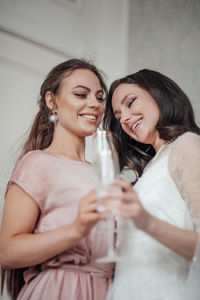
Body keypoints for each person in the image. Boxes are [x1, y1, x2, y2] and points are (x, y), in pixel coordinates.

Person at [0, 58, 114, 300]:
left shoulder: (106, 174)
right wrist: (76, 230)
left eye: (99, 97)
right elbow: (7, 252)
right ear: (52, 101)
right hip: (59, 290)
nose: (94, 104)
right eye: (81, 95)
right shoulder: (38, 162)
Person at [103, 69, 200, 300]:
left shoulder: (187, 145)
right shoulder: (148, 170)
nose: (125, 118)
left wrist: (146, 222)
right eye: (118, 116)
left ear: (160, 94)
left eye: (131, 102)